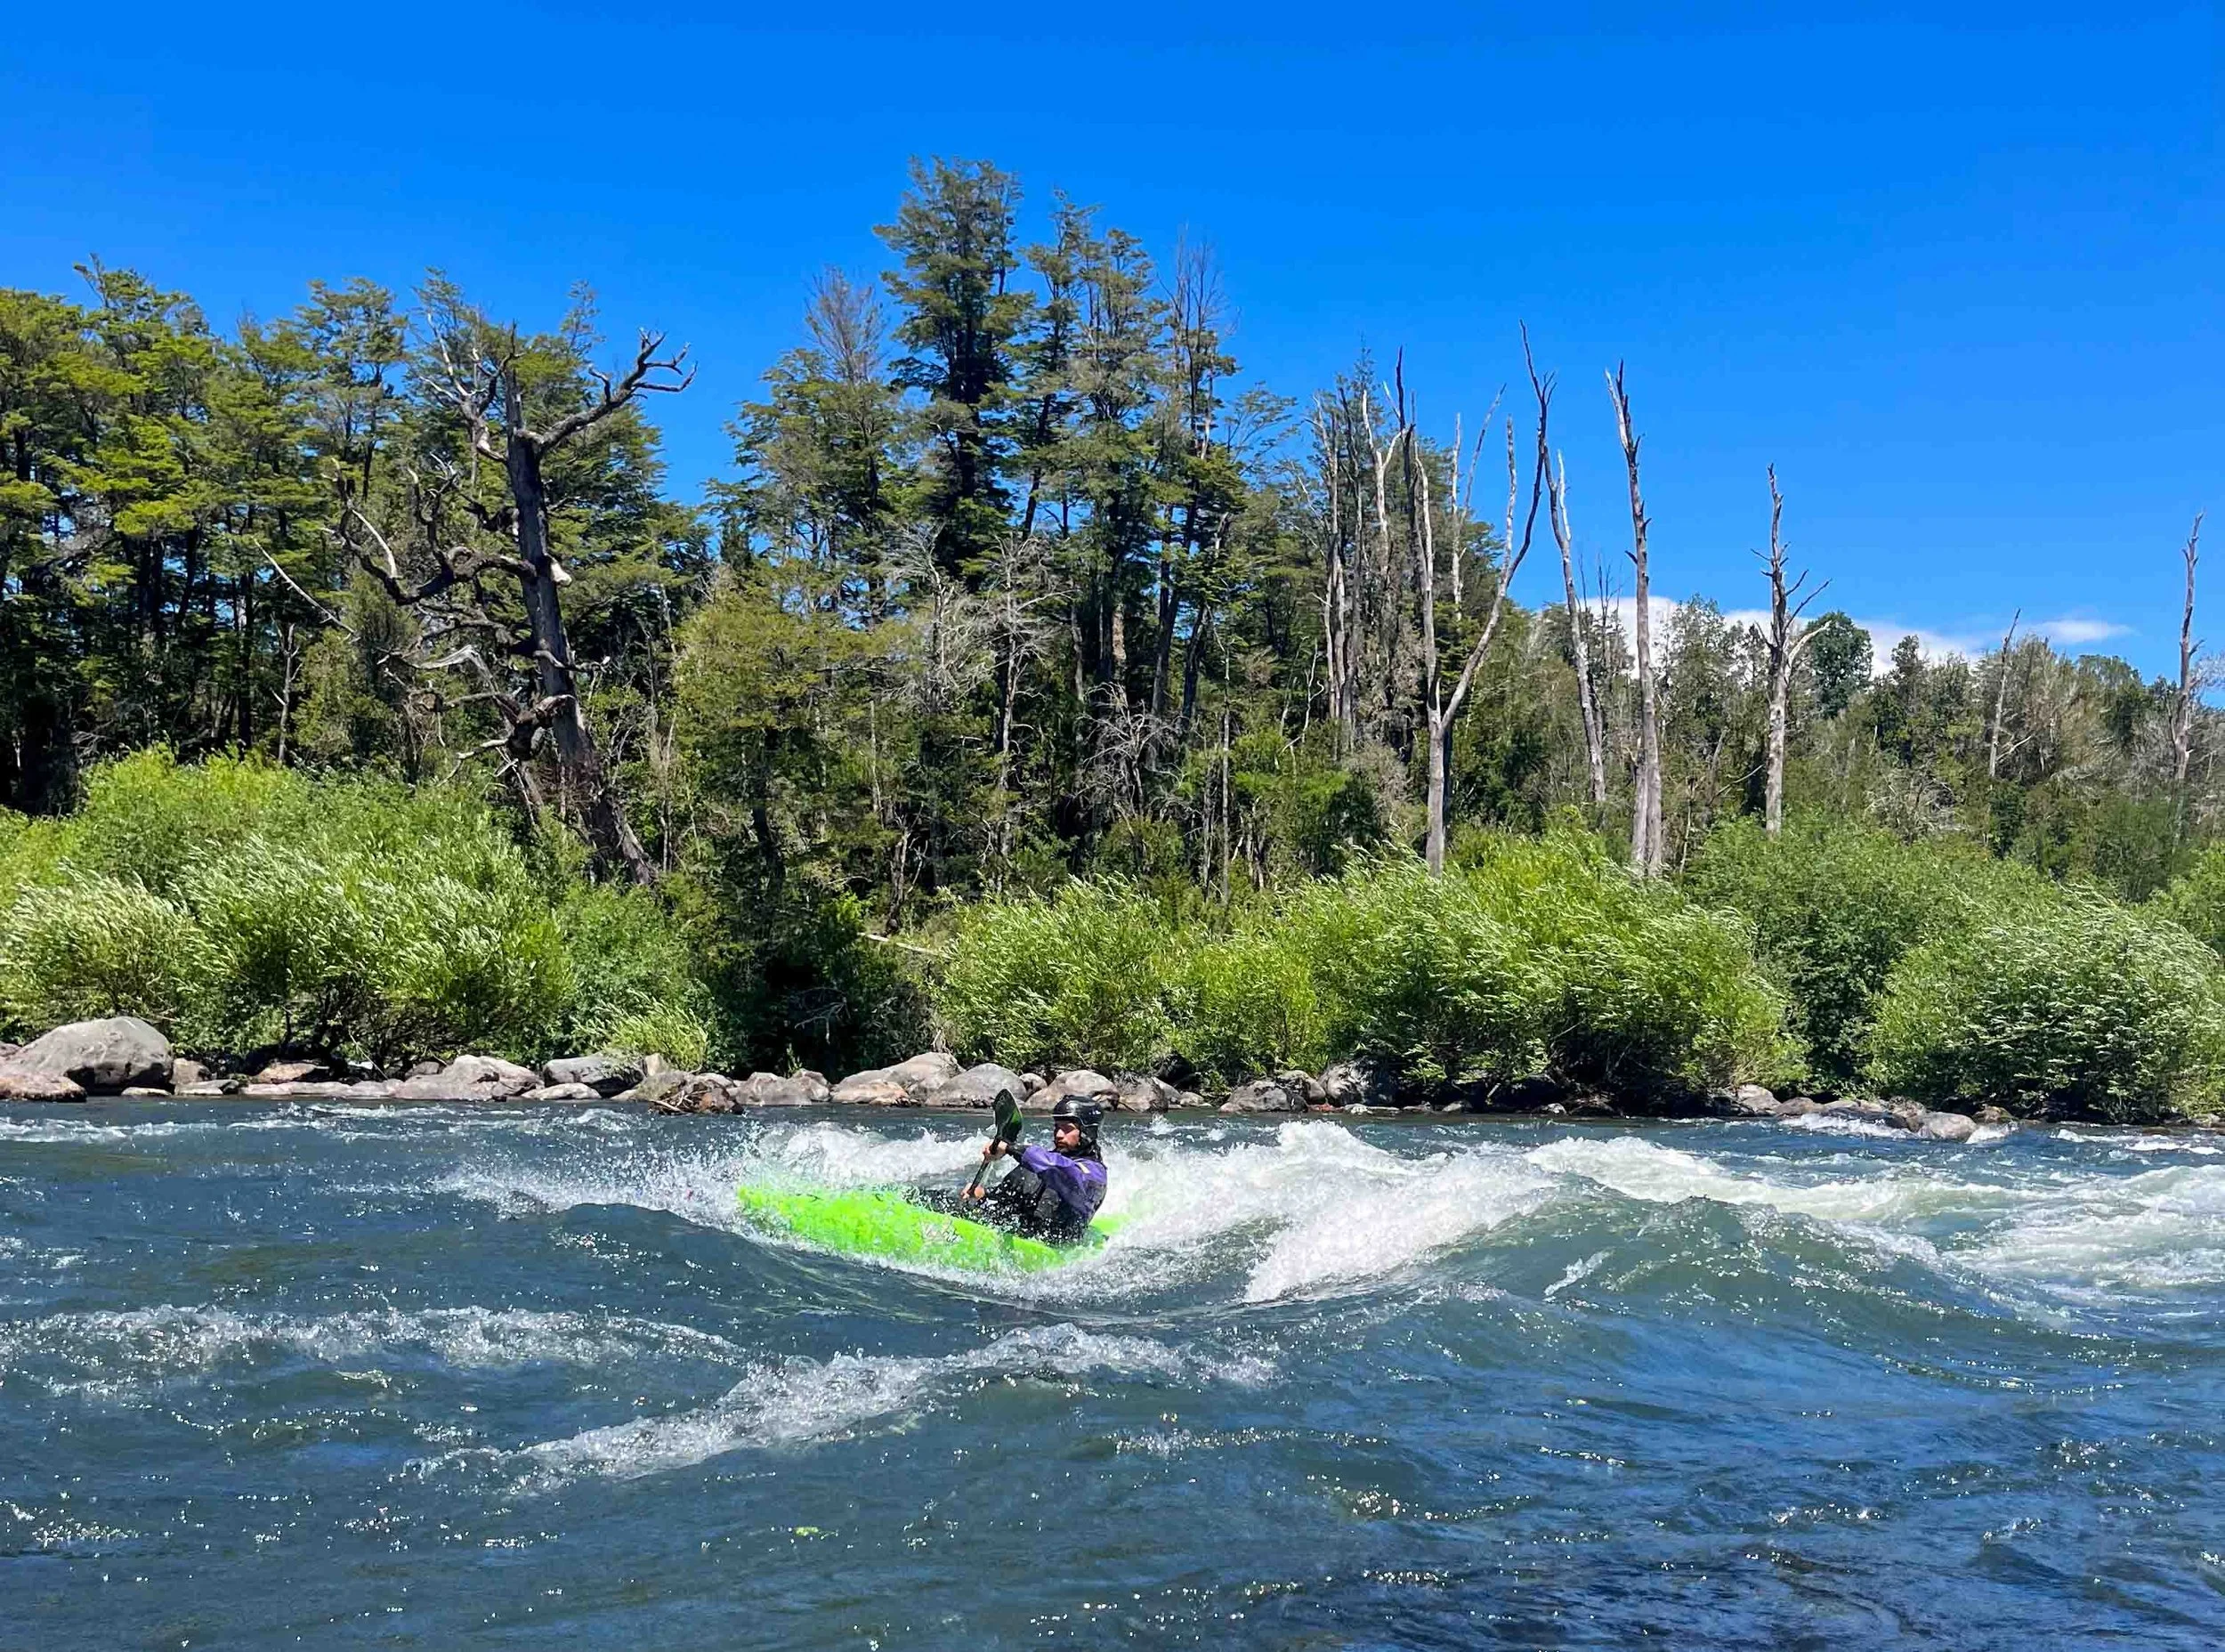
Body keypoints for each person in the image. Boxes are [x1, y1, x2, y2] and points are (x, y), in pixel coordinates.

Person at [968, 1095, 1107, 1244]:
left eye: (1067, 1129)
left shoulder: (1094, 1173)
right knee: (1027, 1171)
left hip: (1053, 1242)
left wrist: (1010, 1148)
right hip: (1017, 1228)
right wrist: (984, 1195)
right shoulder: (1042, 1161)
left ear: (1087, 1133)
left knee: (1040, 1166)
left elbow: (1058, 1168)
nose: (1059, 1135)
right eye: (1057, 1127)